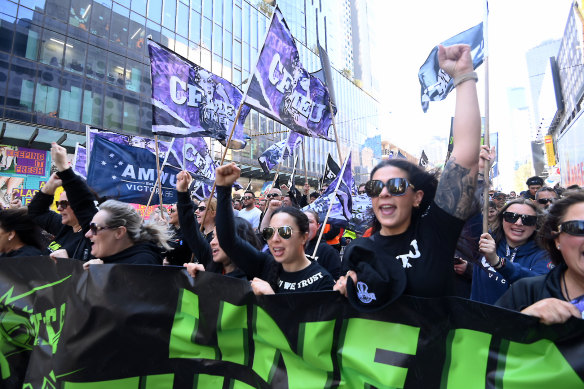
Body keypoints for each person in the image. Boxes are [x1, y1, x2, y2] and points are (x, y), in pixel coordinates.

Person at [334, 44, 482, 311]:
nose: (385, 193)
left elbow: (465, 158)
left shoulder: (436, 233)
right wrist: (344, 294)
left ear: (417, 197)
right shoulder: (358, 250)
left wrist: (463, 77)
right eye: (375, 186)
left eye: (397, 185)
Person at [214, 163, 335, 295]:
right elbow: (227, 240)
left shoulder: (323, 282)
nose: (275, 240)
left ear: (303, 237)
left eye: (284, 232)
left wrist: (271, 299)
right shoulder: (267, 265)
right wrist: (223, 188)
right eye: (270, 232)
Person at [496, 191, 584, 324]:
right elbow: (482, 341)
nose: (519, 223)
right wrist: (521, 323)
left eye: (527, 219)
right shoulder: (527, 292)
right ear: (557, 239)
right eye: (578, 228)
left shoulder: (539, 257)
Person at [471, 198, 552, 304]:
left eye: (528, 219)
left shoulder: (545, 254)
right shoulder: (484, 241)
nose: (518, 223)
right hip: (478, 317)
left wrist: (499, 263)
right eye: (511, 217)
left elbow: (541, 287)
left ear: (536, 224)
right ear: (502, 219)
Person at [28, 143, 97, 261]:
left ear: (77, 205)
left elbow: (84, 204)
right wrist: (49, 187)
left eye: (64, 204)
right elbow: (36, 212)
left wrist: (64, 168)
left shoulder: (93, 235)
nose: (59, 209)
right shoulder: (64, 226)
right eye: (58, 204)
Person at [175, 171, 250, 279]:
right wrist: (182, 192)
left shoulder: (251, 279)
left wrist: (224, 186)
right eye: (213, 237)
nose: (212, 242)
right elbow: (189, 229)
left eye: (219, 238)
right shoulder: (212, 261)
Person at [83, 200, 171, 267]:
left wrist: (100, 275)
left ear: (119, 232)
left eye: (94, 228)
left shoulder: (142, 263)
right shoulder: (107, 256)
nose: (87, 234)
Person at [304, 210, 342, 279]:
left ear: (318, 226)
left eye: (310, 222)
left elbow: (336, 281)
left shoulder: (329, 252)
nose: (306, 225)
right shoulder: (291, 250)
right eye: (302, 221)